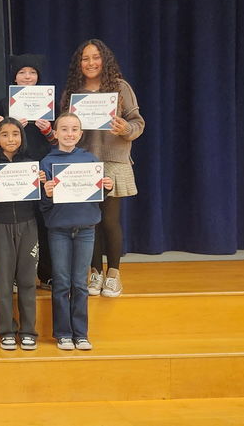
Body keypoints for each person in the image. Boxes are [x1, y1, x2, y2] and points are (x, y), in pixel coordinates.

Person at [62, 39, 145, 298]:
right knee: (90, 223)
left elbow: (138, 122)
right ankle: (95, 272)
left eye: (95, 57)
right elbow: (64, 127)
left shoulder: (120, 87)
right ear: (79, 63)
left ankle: (114, 274)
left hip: (112, 162)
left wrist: (126, 129)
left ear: (104, 59)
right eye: (85, 58)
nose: (90, 63)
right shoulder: (73, 91)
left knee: (109, 220)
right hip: (82, 162)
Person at [41, 113, 114, 351]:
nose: (69, 134)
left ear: (81, 134)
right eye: (64, 129)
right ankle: (63, 333)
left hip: (86, 229)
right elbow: (42, 205)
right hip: (59, 230)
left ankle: (81, 334)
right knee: (62, 282)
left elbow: (98, 199)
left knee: (80, 284)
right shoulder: (47, 162)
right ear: (56, 133)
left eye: (74, 129)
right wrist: (47, 193)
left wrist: (107, 188)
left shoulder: (91, 160)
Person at [0, 54, 56, 289]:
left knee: (42, 220)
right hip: (14, 170)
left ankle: (47, 273)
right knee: (20, 223)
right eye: (22, 72)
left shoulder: (51, 102)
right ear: (14, 77)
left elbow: (58, 139)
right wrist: (3, 123)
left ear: (38, 76)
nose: (27, 77)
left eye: (32, 72)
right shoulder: (3, 103)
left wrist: (48, 130)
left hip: (40, 165)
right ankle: (18, 276)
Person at [0, 116, 45, 351]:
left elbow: (44, 198)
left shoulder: (31, 164)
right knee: (4, 281)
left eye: (16, 134)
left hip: (28, 224)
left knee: (28, 280)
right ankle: (7, 330)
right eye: (5, 134)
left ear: (22, 137)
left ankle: (29, 331)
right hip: (1, 224)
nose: (11, 138)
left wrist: (40, 182)